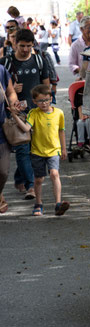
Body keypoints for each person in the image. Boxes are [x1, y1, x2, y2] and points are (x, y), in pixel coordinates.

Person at [2, 28, 51, 200]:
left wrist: (46, 105)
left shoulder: (39, 60)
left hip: (37, 112)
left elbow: (46, 85)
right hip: (17, 114)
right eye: (22, 46)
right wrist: (12, 90)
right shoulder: (5, 63)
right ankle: (31, 186)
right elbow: (3, 89)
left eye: (28, 46)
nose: (25, 49)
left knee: (33, 150)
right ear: (15, 43)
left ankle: (19, 177)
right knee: (23, 149)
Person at [24, 84, 67, 216]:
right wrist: (15, 116)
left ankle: (58, 204)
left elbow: (61, 132)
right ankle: (38, 203)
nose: (44, 103)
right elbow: (26, 128)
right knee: (39, 179)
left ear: (51, 98)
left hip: (54, 150)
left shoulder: (59, 113)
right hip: (37, 151)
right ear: (34, 102)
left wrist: (64, 149)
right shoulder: (33, 113)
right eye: (40, 101)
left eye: (47, 100)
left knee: (54, 174)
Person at [0, 62, 20, 214]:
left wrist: (14, 102)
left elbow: (10, 92)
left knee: (3, 171)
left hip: (2, 130)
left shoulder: (1, 70)